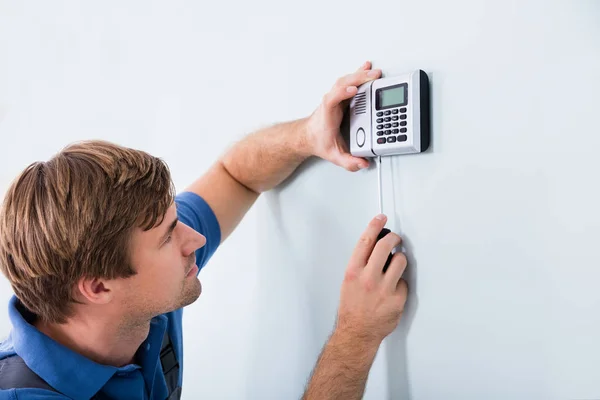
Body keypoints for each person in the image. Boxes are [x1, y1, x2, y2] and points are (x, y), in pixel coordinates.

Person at [0, 62, 408, 400]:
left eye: (174, 219)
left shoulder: (138, 291)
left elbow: (235, 175)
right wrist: (356, 335)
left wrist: (309, 134)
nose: (194, 239)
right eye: (168, 237)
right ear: (98, 288)